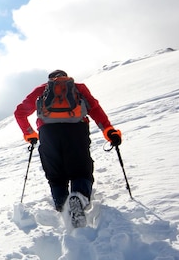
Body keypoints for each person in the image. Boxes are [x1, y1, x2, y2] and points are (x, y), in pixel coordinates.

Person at [14, 69, 122, 213]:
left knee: (55, 174)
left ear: (50, 80)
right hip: (76, 130)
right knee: (81, 170)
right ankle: (79, 198)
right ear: (66, 78)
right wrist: (109, 131)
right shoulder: (78, 88)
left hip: (48, 134)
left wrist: (30, 134)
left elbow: (20, 112)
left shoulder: (41, 90)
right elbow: (95, 109)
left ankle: (63, 206)